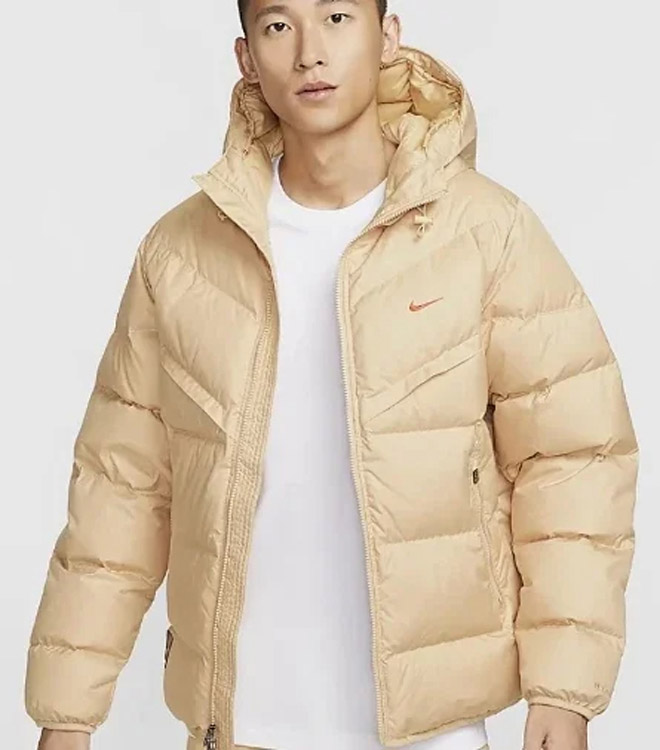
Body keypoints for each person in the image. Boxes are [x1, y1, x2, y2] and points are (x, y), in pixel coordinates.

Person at [25, 1, 640, 750]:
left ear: (388, 36)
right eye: (278, 25)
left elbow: (571, 458)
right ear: (246, 57)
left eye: (339, 16)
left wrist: (563, 691)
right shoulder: (181, 254)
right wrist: (67, 713)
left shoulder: (486, 234)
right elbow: (121, 485)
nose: (310, 52)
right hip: (238, 727)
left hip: (432, 734)